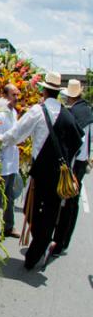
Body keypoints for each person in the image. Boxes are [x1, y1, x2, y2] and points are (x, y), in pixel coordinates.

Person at [0, 71, 82, 270]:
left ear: (44, 90)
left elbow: (16, 134)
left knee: (32, 209)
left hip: (42, 171)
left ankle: (39, 246)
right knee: (51, 212)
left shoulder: (38, 110)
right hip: (60, 173)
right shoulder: (66, 113)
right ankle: (41, 246)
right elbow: (78, 142)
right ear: (58, 92)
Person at [52, 79, 92, 253]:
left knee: (65, 202)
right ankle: (65, 240)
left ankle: (58, 241)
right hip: (83, 163)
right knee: (73, 203)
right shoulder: (88, 111)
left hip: (74, 163)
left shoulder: (74, 114)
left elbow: (75, 142)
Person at [0, 84, 21, 237]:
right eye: (13, 95)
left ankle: (9, 227)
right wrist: (11, 139)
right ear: (5, 96)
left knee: (10, 197)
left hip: (12, 161)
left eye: (17, 95)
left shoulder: (14, 112)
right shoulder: (0, 114)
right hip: (2, 162)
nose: (16, 98)